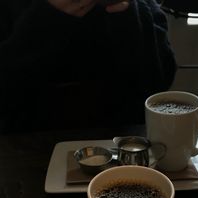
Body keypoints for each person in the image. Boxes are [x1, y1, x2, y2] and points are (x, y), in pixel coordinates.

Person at [0, 0, 177, 133]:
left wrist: (128, 14)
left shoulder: (138, 5)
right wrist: (45, 21)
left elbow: (159, 86)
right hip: (28, 148)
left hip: (123, 145)